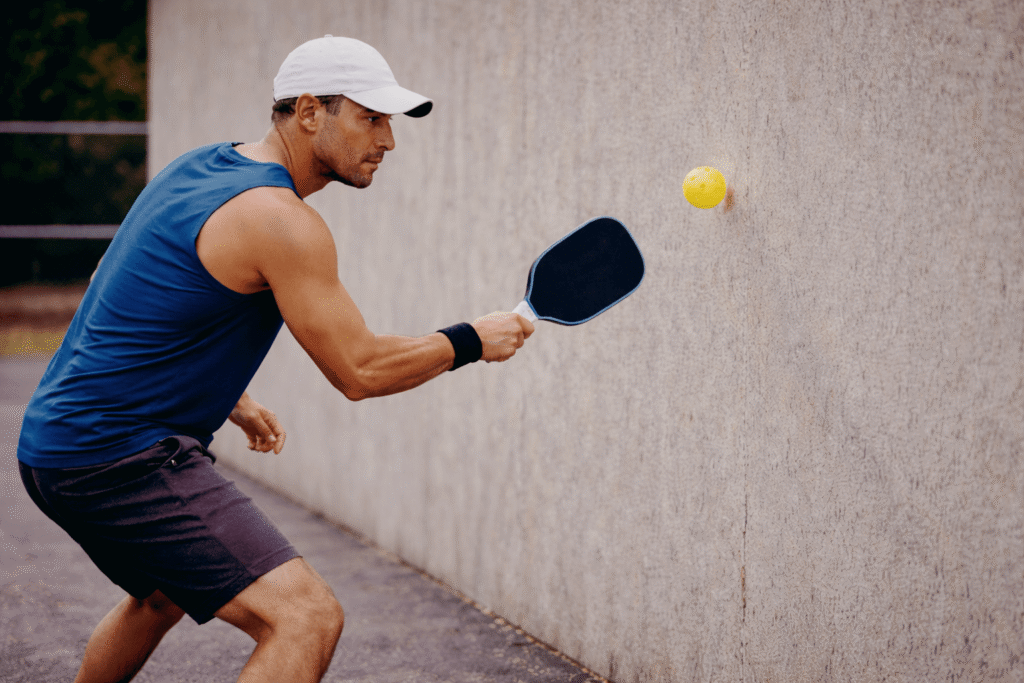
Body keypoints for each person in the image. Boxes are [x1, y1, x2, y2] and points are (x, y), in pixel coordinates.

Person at [17, 35, 533, 683]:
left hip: (52, 446)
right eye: (370, 118)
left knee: (160, 595)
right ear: (311, 111)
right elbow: (360, 369)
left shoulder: (201, 167)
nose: (388, 141)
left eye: (390, 122)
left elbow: (117, 281)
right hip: (117, 456)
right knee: (305, 617)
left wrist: (228, 397)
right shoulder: (281, 220)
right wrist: (471, 340)